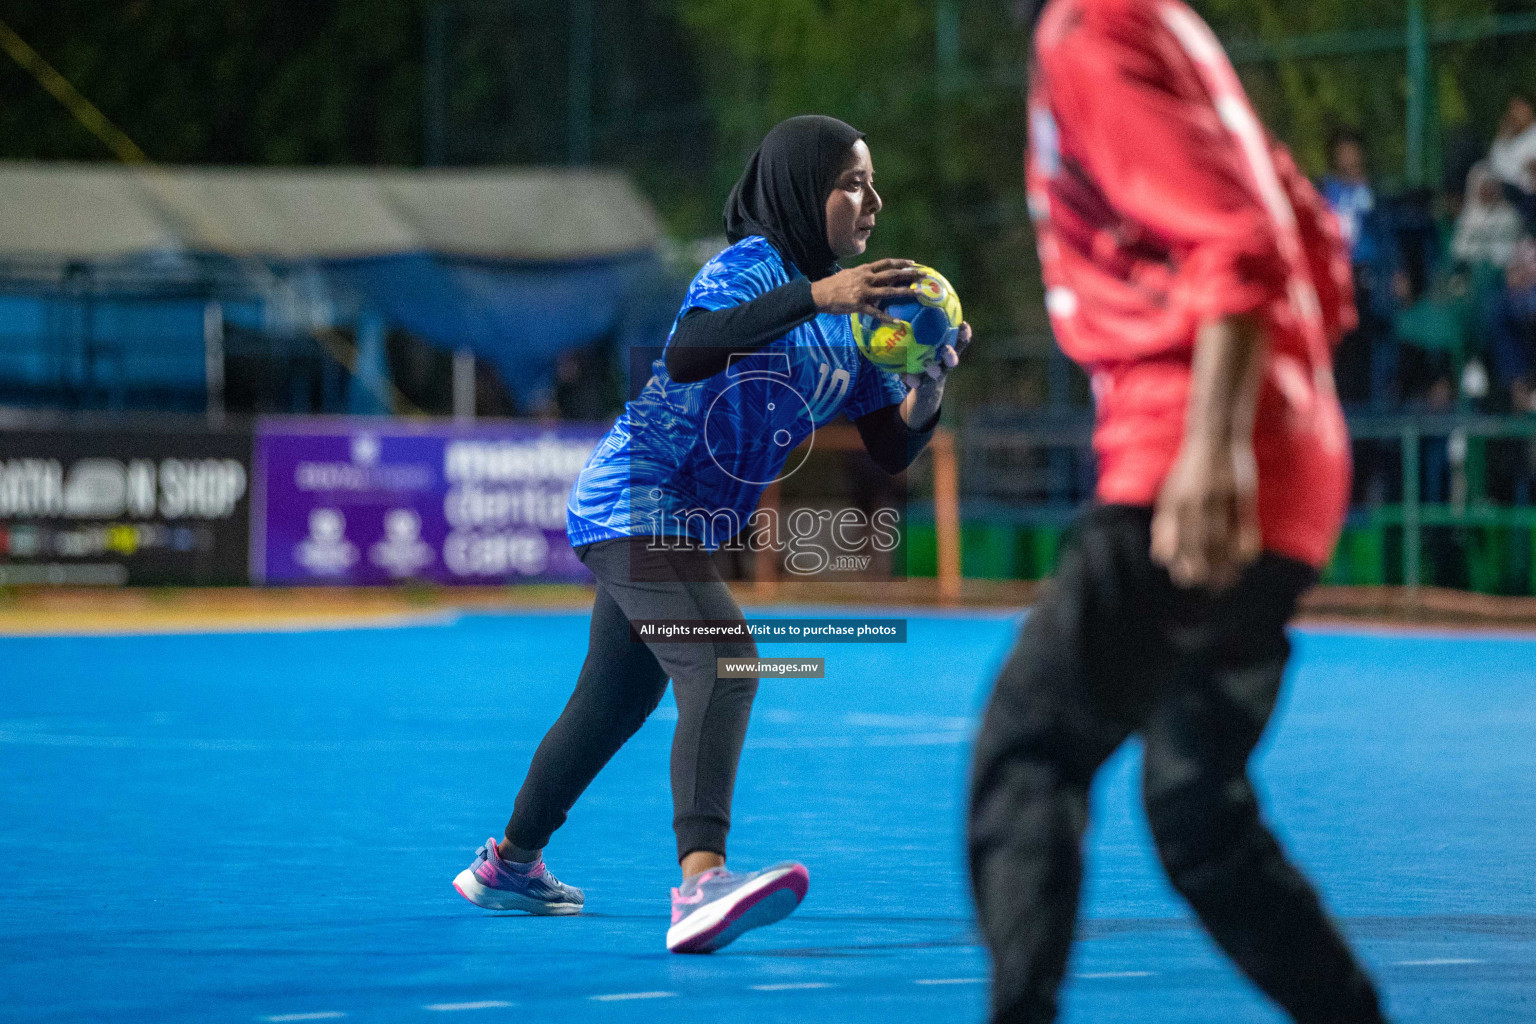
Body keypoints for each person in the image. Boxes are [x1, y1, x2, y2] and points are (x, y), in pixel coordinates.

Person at [453, 114, 971, 954]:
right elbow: (691, 350)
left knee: (613, 702)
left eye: (872, 183)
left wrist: (927, 386)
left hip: (678, 525)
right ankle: (700, 884)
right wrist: (817, 293)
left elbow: (889, 448)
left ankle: (508, 865)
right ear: (804, 193)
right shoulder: (749, 271)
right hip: (633, 498)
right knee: (726, 660)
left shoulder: (852, 318)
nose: (872, 200)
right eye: (851, 183)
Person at [968, 2, 1388, 1022]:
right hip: (1290, 465)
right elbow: (1319, 250)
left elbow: (1236, 238)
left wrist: (1212, 443)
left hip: (1192, 458)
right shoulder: (1166, 24)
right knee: (1195, 807)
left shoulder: (1087, 29)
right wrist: (1280, 416)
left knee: (1030, 751)